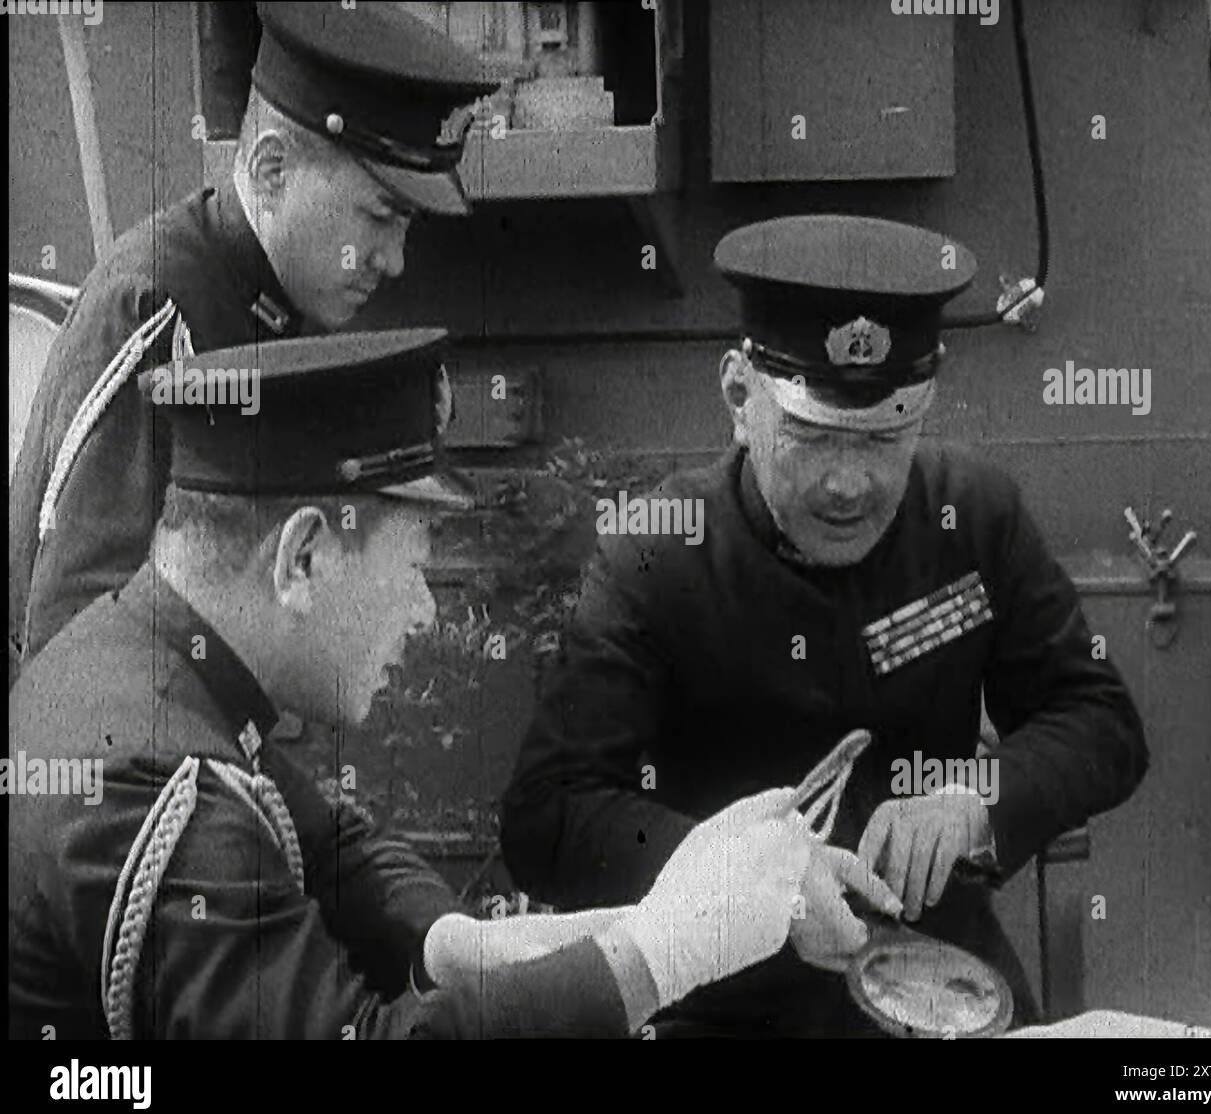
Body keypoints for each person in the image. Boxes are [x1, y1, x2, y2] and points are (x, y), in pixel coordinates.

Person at [7, 329, 821, 1040]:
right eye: (415, 560)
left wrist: (462, 944)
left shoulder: (151, 667)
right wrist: (664, 952)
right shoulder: (152, 783)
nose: (427, 609)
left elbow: (332, 849)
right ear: (304, 558)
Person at [501, 214, 1152, 1036]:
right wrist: (750, 878)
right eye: (810, 436)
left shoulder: (974, 517)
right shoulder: (657, 550)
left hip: (941, 981)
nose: (850, 484)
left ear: (927, 406)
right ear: (740, 396)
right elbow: (547, 813)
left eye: (884, 439)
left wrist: (973, 800)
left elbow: (1103, 723)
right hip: (720, 997)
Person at [9, 1, 497, 677]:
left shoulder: (273, 298)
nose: (394, 259)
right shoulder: (156, 308)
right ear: (272, 172)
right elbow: (75, 637)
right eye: (380, 216)